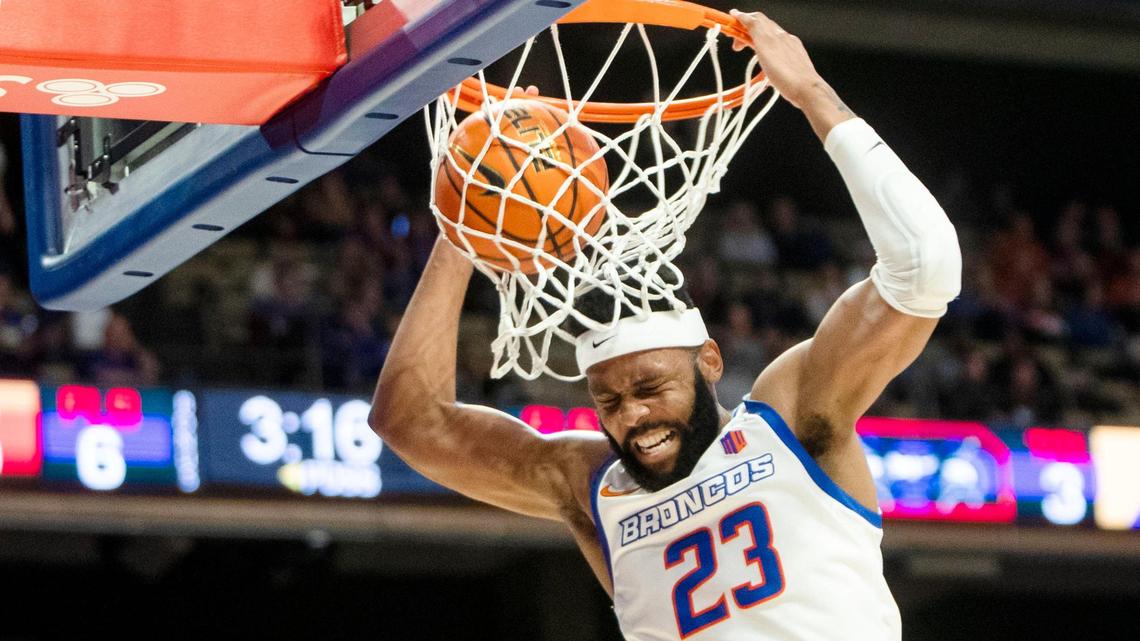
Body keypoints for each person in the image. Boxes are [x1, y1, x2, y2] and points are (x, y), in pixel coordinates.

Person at [370, 10, 961, 641]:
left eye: (651, 388)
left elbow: (924, 267)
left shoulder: (791, 421)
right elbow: (411, 421)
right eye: (611, 399)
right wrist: (478, 204)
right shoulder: (592, 484)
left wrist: (812, 94)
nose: (633, 416)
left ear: (709, 360)